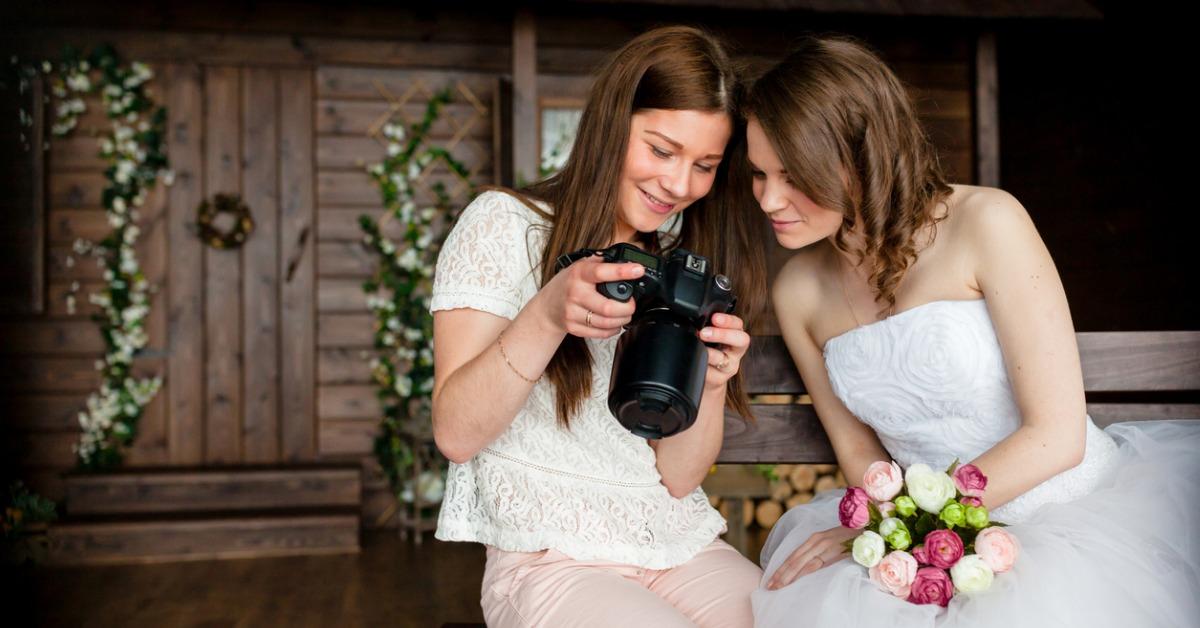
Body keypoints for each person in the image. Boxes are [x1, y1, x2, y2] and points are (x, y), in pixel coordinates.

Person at [745, 37, 1200, 627]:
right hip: (916, 540)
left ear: (860, 156)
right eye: (759, 174)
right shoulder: (797, 291)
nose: (769, 199)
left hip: (1072, 517)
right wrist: (894, 538)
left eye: (792, 175)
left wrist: (913, 526)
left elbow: (1059, 434)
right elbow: (859, 452)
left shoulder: (988, 221)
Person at [429, 26, 768, 627]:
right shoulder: (505, 226)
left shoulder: (677, 267)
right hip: (547, 559)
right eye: (662, 150)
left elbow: (679, 476)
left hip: (674, 545)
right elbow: (456, 433)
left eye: (705, 165)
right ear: (613, 126)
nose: (679, 185)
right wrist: (548, 311)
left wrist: (711, 382)